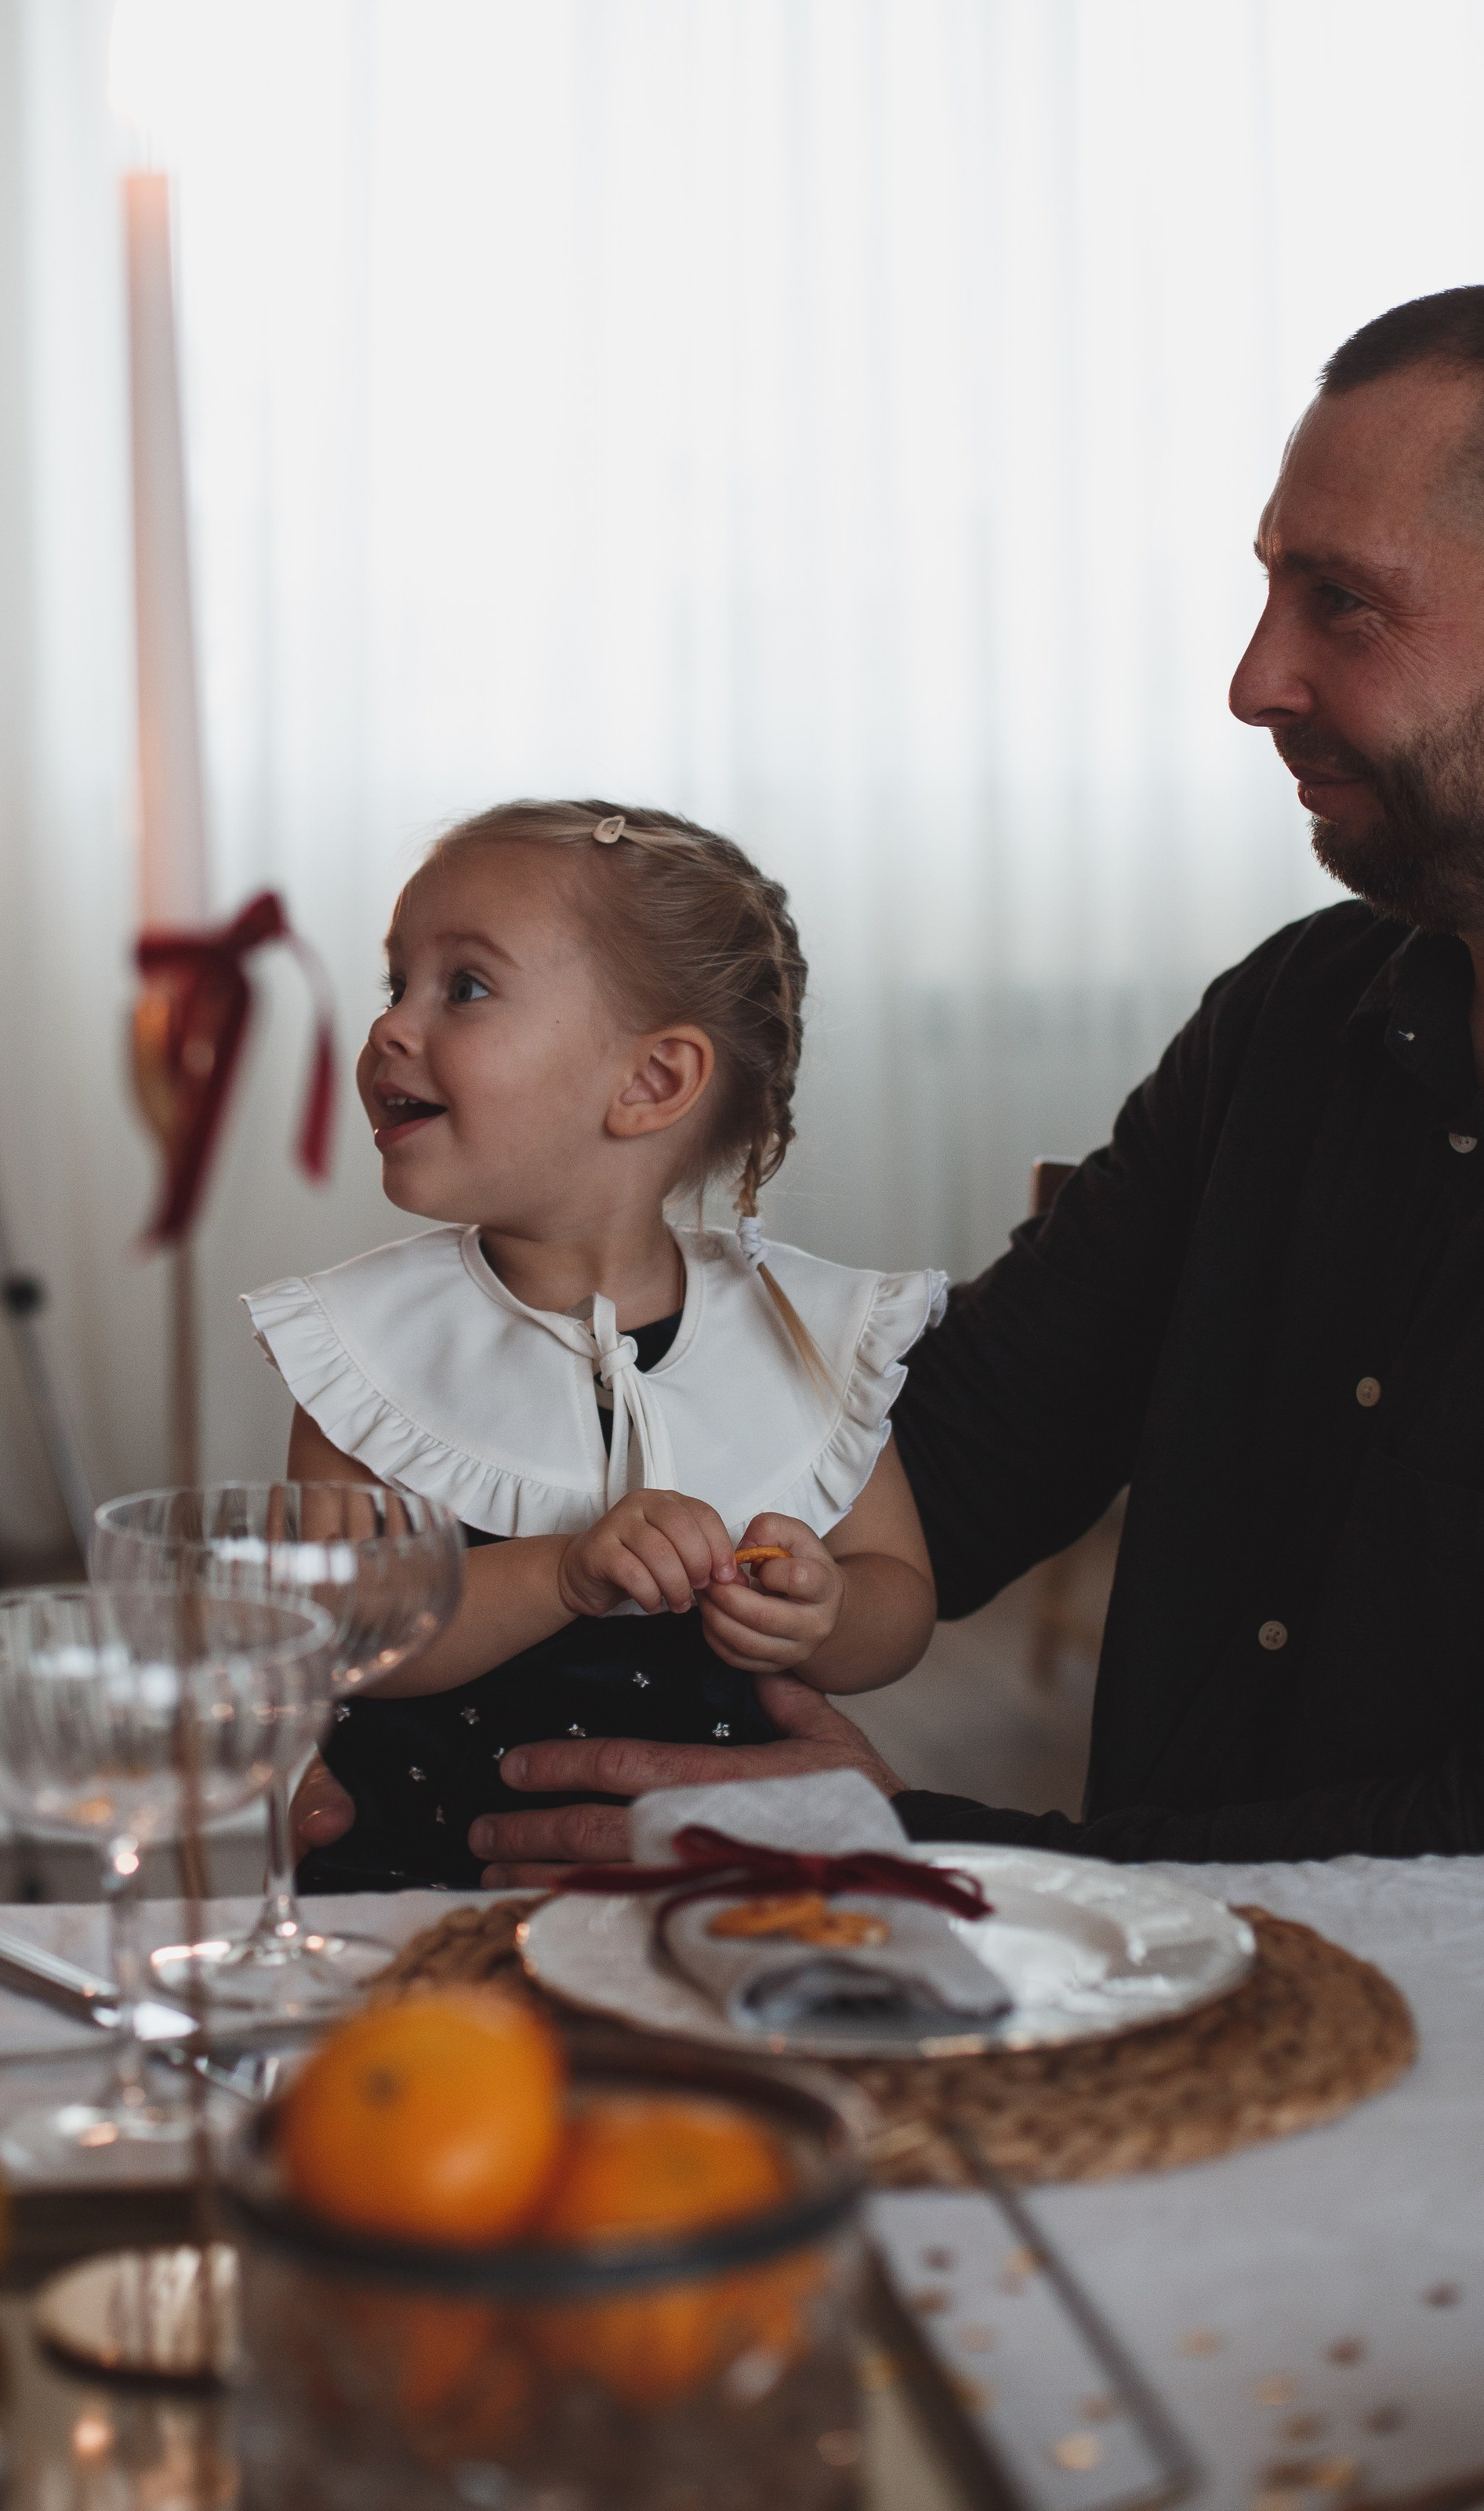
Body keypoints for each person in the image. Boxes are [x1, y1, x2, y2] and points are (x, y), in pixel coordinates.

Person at [296, 284, 1484, 1878]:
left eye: (1338, 599)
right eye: (1269, 586)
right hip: (1157, 2020)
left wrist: (917, 1846)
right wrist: (386, 1647)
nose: (1252, 678)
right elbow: (948, 1458)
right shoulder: (1291, 1022)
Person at [245, 799, 943, 1892]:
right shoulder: (368, 1348)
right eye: (398, 985)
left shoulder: (802, 1332)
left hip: (720, 1880)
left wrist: (825, 1611)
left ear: (652, 1082)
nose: (389, 1027)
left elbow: (898, 1599)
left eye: (463, 988)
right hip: (432, 1874)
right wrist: (563, 1572)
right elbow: (349, 1631)